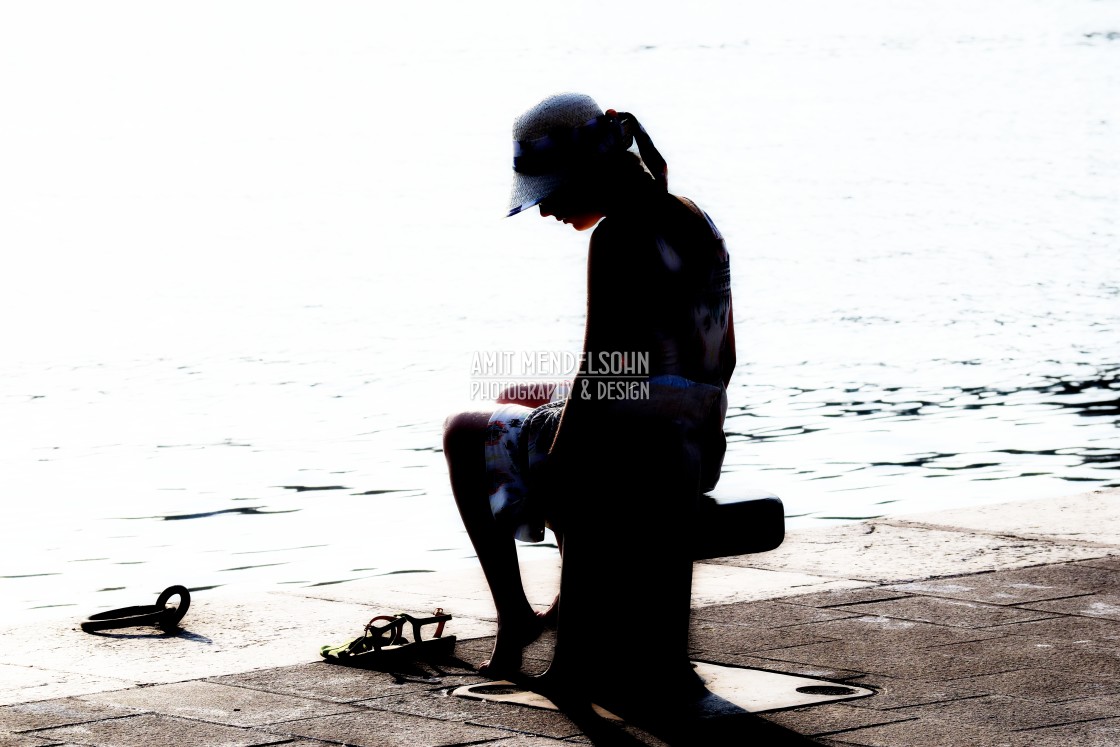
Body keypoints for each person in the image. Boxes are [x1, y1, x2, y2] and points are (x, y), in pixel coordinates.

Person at [442, 92, 736, 687]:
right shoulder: (691, 215)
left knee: (464, 431)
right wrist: (699, 426)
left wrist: (560, 461)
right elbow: (720, 357)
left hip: (633, 439)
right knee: (520, 390)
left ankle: (519, 622)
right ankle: (554, 618)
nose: (545, 210)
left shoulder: (618, 237)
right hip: (693, 429)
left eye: (549, 191)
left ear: (589, 171)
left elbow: (598, 367)